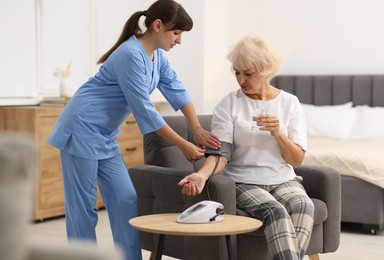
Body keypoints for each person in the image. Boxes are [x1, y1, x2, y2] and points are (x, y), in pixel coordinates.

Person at [48, 1, 220, 260]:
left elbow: (177, 88)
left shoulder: (157, 55)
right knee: (82, 209)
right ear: (158, 25)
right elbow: (146, 111)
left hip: (104, 134)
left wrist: (196, 129)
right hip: (81, 127)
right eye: (176, 33)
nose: (180, 40)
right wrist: (184, 145)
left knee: (125, 199)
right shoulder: (130, 54)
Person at [178, 35, 314, 260]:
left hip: (283, 179)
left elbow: (297, 160)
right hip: (243, 181)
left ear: (266, 70)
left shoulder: (290, 103)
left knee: (303, 206)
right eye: (237, 72)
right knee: (276, 211)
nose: (241, 80)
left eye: (248, 73)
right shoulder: (228, 104)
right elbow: (221, 154)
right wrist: (201, 175)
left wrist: (278, 134)